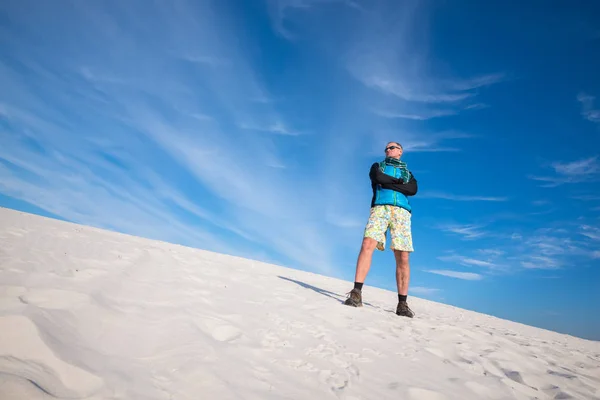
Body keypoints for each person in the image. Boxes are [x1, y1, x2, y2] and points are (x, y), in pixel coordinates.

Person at [344, 141, 418, 317]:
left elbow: (412, 189)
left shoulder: (408, 173)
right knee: (368, 243)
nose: (388, 150)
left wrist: (392, 183)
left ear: (400, 151)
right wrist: (399, 184)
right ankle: (356, 292)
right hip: (380, 207)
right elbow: (378, 179)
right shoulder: (378, 166)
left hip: (402, 212)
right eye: (386, 148)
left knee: (403, 255)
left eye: (392, 147)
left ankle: (402, 304)